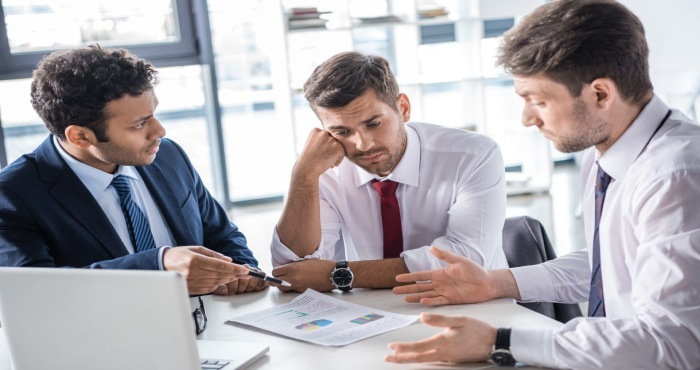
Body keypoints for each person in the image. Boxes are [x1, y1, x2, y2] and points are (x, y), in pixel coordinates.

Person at [386, 0, 700, 368]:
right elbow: (613, 265)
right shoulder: (606, 153)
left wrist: (498, 341)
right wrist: (495, 282)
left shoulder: (676, 176)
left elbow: (673, 343)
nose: (526, 119)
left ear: (600, 94)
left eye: (538, 101)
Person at [0, 45, 267, 296]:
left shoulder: (168, 155)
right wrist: (157, 266)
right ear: (81, 137)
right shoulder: (13, 195)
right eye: (139, 124)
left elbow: (221, 234)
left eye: (153, 114)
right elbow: (35, 293)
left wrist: (241, 270)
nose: (159, 131)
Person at [270, 51, 508, 293]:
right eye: (342, 132)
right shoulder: (324, 169)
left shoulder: (474, 155)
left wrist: (339, 274)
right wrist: (302, 176)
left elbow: (464, 263)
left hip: (474, 306)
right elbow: (293, 272)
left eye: (373, 124)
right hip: (370, 313)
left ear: (403, 108)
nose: (364, 144)